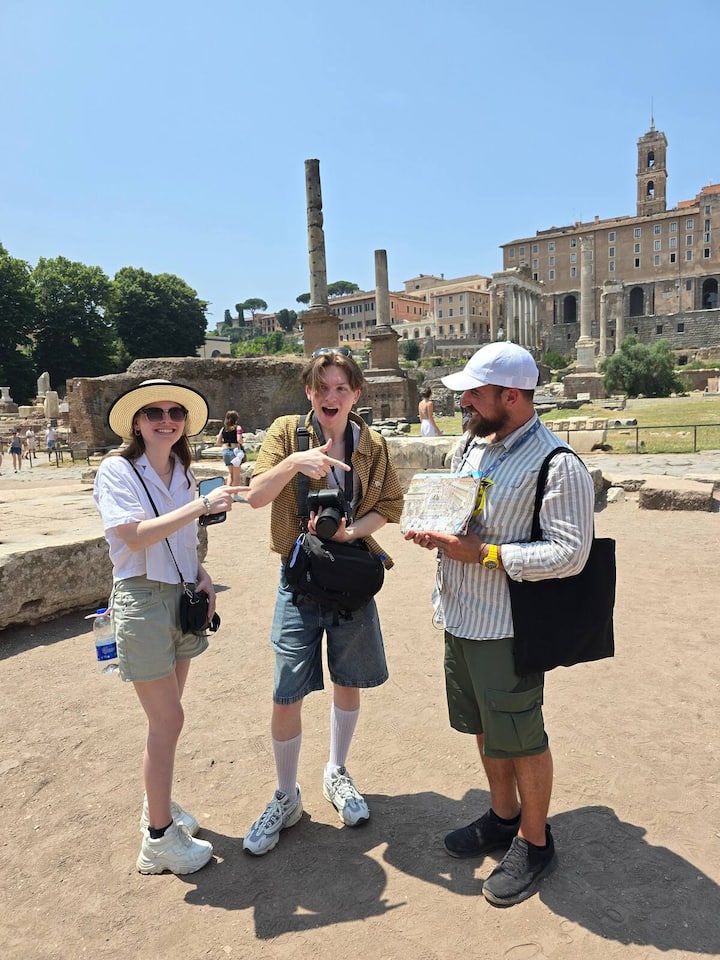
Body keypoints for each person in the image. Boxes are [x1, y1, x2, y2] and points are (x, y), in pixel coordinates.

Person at [404, 342, 594, 907]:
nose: (462, 400)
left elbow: (570, 553)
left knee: (522, 735)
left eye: (474, 392)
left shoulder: (556, 463)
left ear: (511, 396)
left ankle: (536, 842)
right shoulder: (472, 443)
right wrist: (434, 526)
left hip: (506, 625)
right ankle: (505, 815)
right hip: (460, 615)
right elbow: (462, 510)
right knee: (485, 727)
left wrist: (483, 554)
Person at [242, 347, 404, 856]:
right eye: (322, 387)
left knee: (348, 680)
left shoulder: (371, 443)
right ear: (308, 392)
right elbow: (254, 495)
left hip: (352, 577)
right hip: (299, 579)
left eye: (341, 388)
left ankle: (336, 770)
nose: (331, 396)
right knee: (286, 689)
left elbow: (390, 504)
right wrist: (294, 462)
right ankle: (286, 795)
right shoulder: (287, 433)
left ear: (356, 394)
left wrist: (351, 531)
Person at [93, 379, 241, 876]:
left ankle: (156, 808)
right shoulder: (117, 470)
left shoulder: (181, 469)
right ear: (136, 423)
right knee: (168, 721)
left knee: (168, 719)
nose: (165, 419)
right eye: (152, 412)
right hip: (141, 600)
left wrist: (202, 575)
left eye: (174, 411)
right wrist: (200, 505)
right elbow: (134, 538)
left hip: (180, 597)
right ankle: (157, 841)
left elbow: (182, 538)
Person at [216, 410, 244, 488]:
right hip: (235, 452)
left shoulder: (223, 429)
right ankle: (235, 494)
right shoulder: (238, 428)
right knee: (236, 475)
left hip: (225, 451)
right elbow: (239, 440)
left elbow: (218, 442)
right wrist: (242, 441)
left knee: (230, 474)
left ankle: (227, 492)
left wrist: (225, 442)